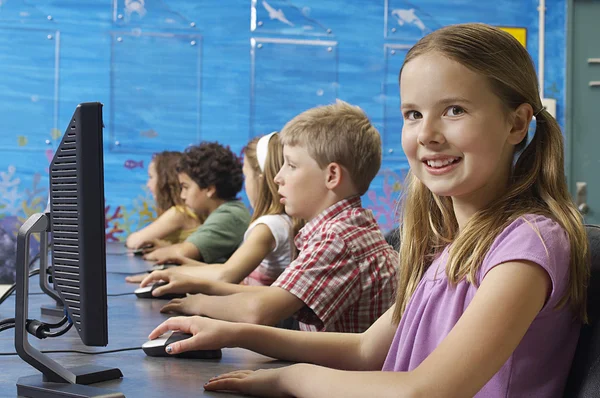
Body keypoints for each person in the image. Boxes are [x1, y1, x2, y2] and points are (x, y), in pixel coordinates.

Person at [149, 24, 590, 397]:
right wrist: (234, 333)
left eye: (454, 110)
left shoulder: (527, 244)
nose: (428, 135)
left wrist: (293, 378)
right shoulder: (445, 245)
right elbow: (366, 349)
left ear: (516, 123)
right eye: (413, 114)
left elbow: (426, 390)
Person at [147, 100, 398, 333]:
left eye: (291, 165)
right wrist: (201, 287)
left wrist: (198, 304)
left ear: (332, 176)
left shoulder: (337, 239)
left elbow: (258, 311)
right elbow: (272, 296)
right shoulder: (352, 228)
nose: (278, 178)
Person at [140, 133, 303, 291]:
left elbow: (225, 275)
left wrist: (169, 273)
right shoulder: (280, 221)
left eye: (246, 176)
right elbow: (230, 270)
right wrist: (183, 265)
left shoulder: (269, 225)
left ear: (260, 179)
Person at [141, 142, 251, 264]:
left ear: (209, 189)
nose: (182, 195)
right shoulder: (228, 210)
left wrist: (153, 254)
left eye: (186, 187)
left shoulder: (230, 215)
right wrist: (167, 248)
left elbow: (184, 253)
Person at [126, 151, 201, 250]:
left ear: (165, 182)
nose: (148, 184)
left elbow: (135, 241)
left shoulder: (178, 213)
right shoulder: (190, 211)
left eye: (151, 177)